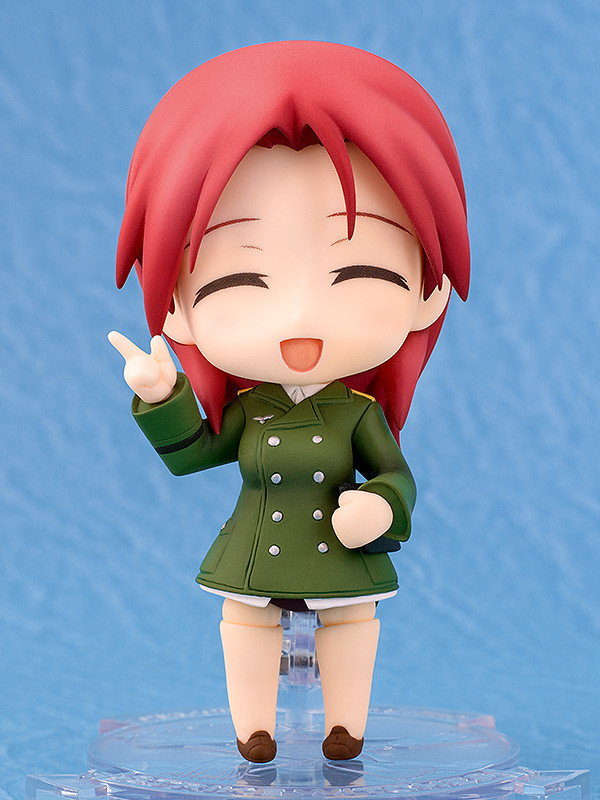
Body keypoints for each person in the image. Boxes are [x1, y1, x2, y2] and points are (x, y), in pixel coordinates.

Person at [109, 41, 470, 763]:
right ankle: (255, 728)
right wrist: (164, 397)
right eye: (239, 283)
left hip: (338, 555)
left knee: (353, 622)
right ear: (176, 306)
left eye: (360, 272)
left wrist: (382, 509)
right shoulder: (253, 412)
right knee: (245, 623)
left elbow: (394, 475)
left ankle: (345, 727)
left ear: (428, 290)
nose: (301, 320)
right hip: (256, 553)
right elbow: (194, 456)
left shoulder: (356, 413)